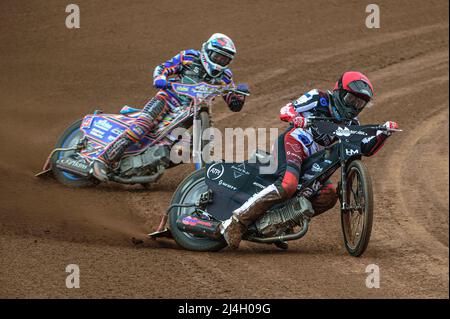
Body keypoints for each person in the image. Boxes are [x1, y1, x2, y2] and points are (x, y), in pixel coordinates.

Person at [222, 71, 399, 249]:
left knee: (329, 195)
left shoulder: (353, 124)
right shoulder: (319, 97)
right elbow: (286, 110)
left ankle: (279, 226)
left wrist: (383, 134)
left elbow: (366, 148)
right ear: (339, 92)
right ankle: (236, 221)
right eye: (351, 100)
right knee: (288, 185)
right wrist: (295, 118)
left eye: (360, 103)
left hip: (315, 159)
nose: (354, 106)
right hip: (295, 142)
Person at [92, 33, 249, 180]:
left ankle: (148, 167)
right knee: (142, 126)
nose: (220, 61)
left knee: (200, 141)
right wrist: (160, 78)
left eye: (224, 59)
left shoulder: (225, 76)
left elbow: (234, 105)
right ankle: (103, 159)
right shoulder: (189, 57)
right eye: (218, 56)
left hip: (194, 111)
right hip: (168, 100)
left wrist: (239, 95)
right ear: (207, 51)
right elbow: (162, 68)